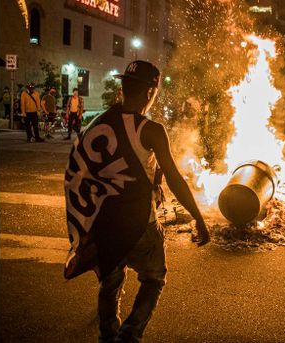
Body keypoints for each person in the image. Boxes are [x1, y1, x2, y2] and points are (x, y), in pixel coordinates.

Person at [63, 60, 210, 343]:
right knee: (154, 278)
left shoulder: (97, 124)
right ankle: (129, 335)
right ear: (150, 92)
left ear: (123, 88)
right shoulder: (151, 130)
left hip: (105, 224)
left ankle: (108, 335)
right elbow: (176, 179)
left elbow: (78, 176)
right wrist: (198, 217)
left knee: (110, 282)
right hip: (140, 224)